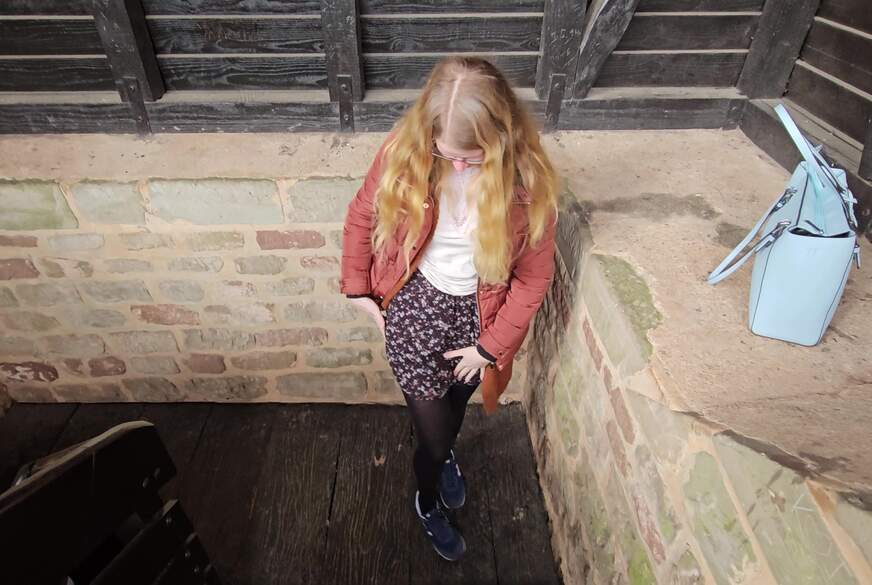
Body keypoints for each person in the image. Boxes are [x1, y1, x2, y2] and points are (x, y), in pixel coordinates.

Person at [339, 56, 558, 561]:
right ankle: (427, 497)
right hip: (415, 309)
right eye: (447, 154)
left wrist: (489, 348)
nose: (457, 166)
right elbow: (361, 214)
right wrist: (356, 287)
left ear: (500, 138)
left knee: (455, 408)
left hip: (480, 316)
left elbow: (533, 277)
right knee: (433, 439)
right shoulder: (405, 150)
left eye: (471, 157)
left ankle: (443, 457)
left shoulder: (526, 182)